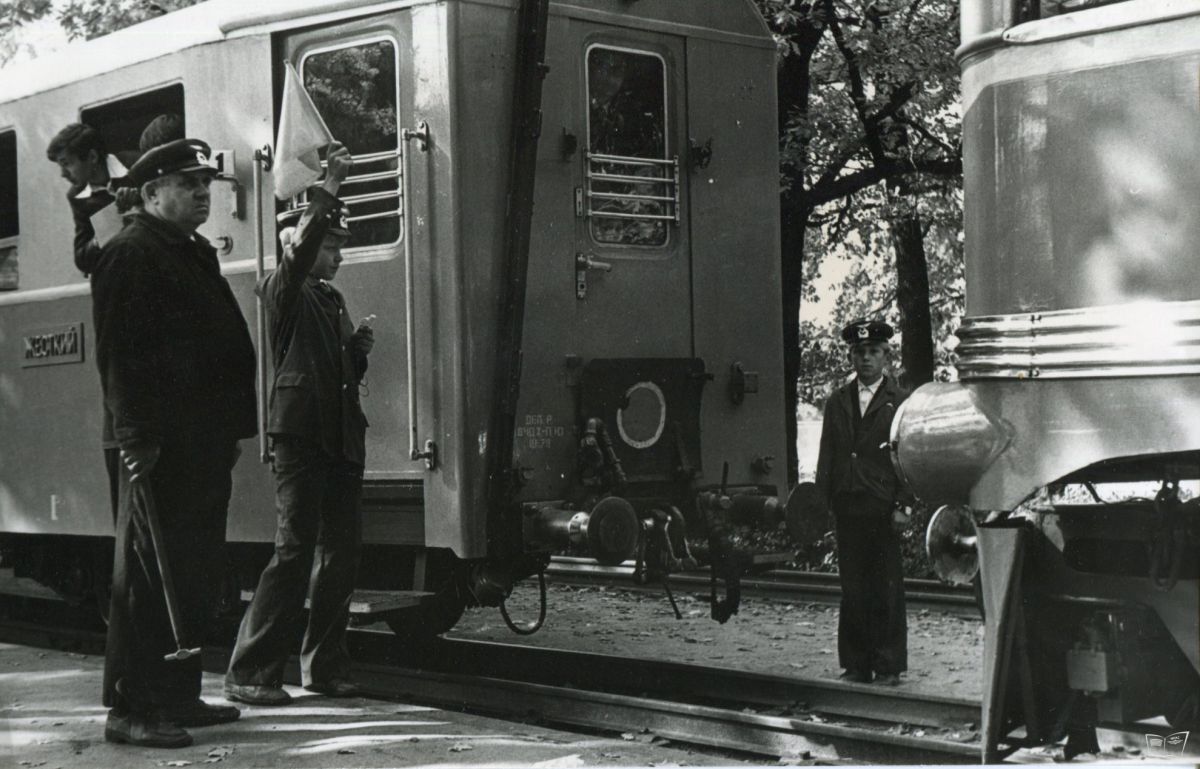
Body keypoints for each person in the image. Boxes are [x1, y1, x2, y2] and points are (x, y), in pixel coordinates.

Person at [93, 138, 258, 748]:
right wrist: (136, 434)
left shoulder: (186, 250)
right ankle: (131, 709)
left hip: (199, 439)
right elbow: (122, 355)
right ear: (152, 191)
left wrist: (227, 429)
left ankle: (178, 695)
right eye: (188, 184)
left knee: (190, 571)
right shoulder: (130, 253)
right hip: (157, 443)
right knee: (144, 577)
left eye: (205, 185)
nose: (201, 194)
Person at [224, 142, 374, 705]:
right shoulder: (280, 289)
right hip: (302, 438)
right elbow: (308, 242)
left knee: (340, 555)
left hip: (338, 438)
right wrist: (329, 185)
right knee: (293, 551)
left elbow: (332, 372)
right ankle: (250, 672)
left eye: (338, 247)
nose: (337, 255)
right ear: (299, 245)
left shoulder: (330, 300)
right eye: (330, 245)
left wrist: (356, 351)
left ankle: (324, 668)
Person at [814, 319, 913, 686]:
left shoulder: (901, 401)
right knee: (853, 588)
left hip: (883, 505)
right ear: (851, 357)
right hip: (847, 504)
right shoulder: (837, 402)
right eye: (860, 352)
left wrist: (904, 505)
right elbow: (828, 456)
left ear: (886, 355)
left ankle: (888, 664)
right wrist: (821, 505)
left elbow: (910, 456)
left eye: (874, 352)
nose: (866, 359)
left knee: (886, 585)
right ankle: (856, 663)